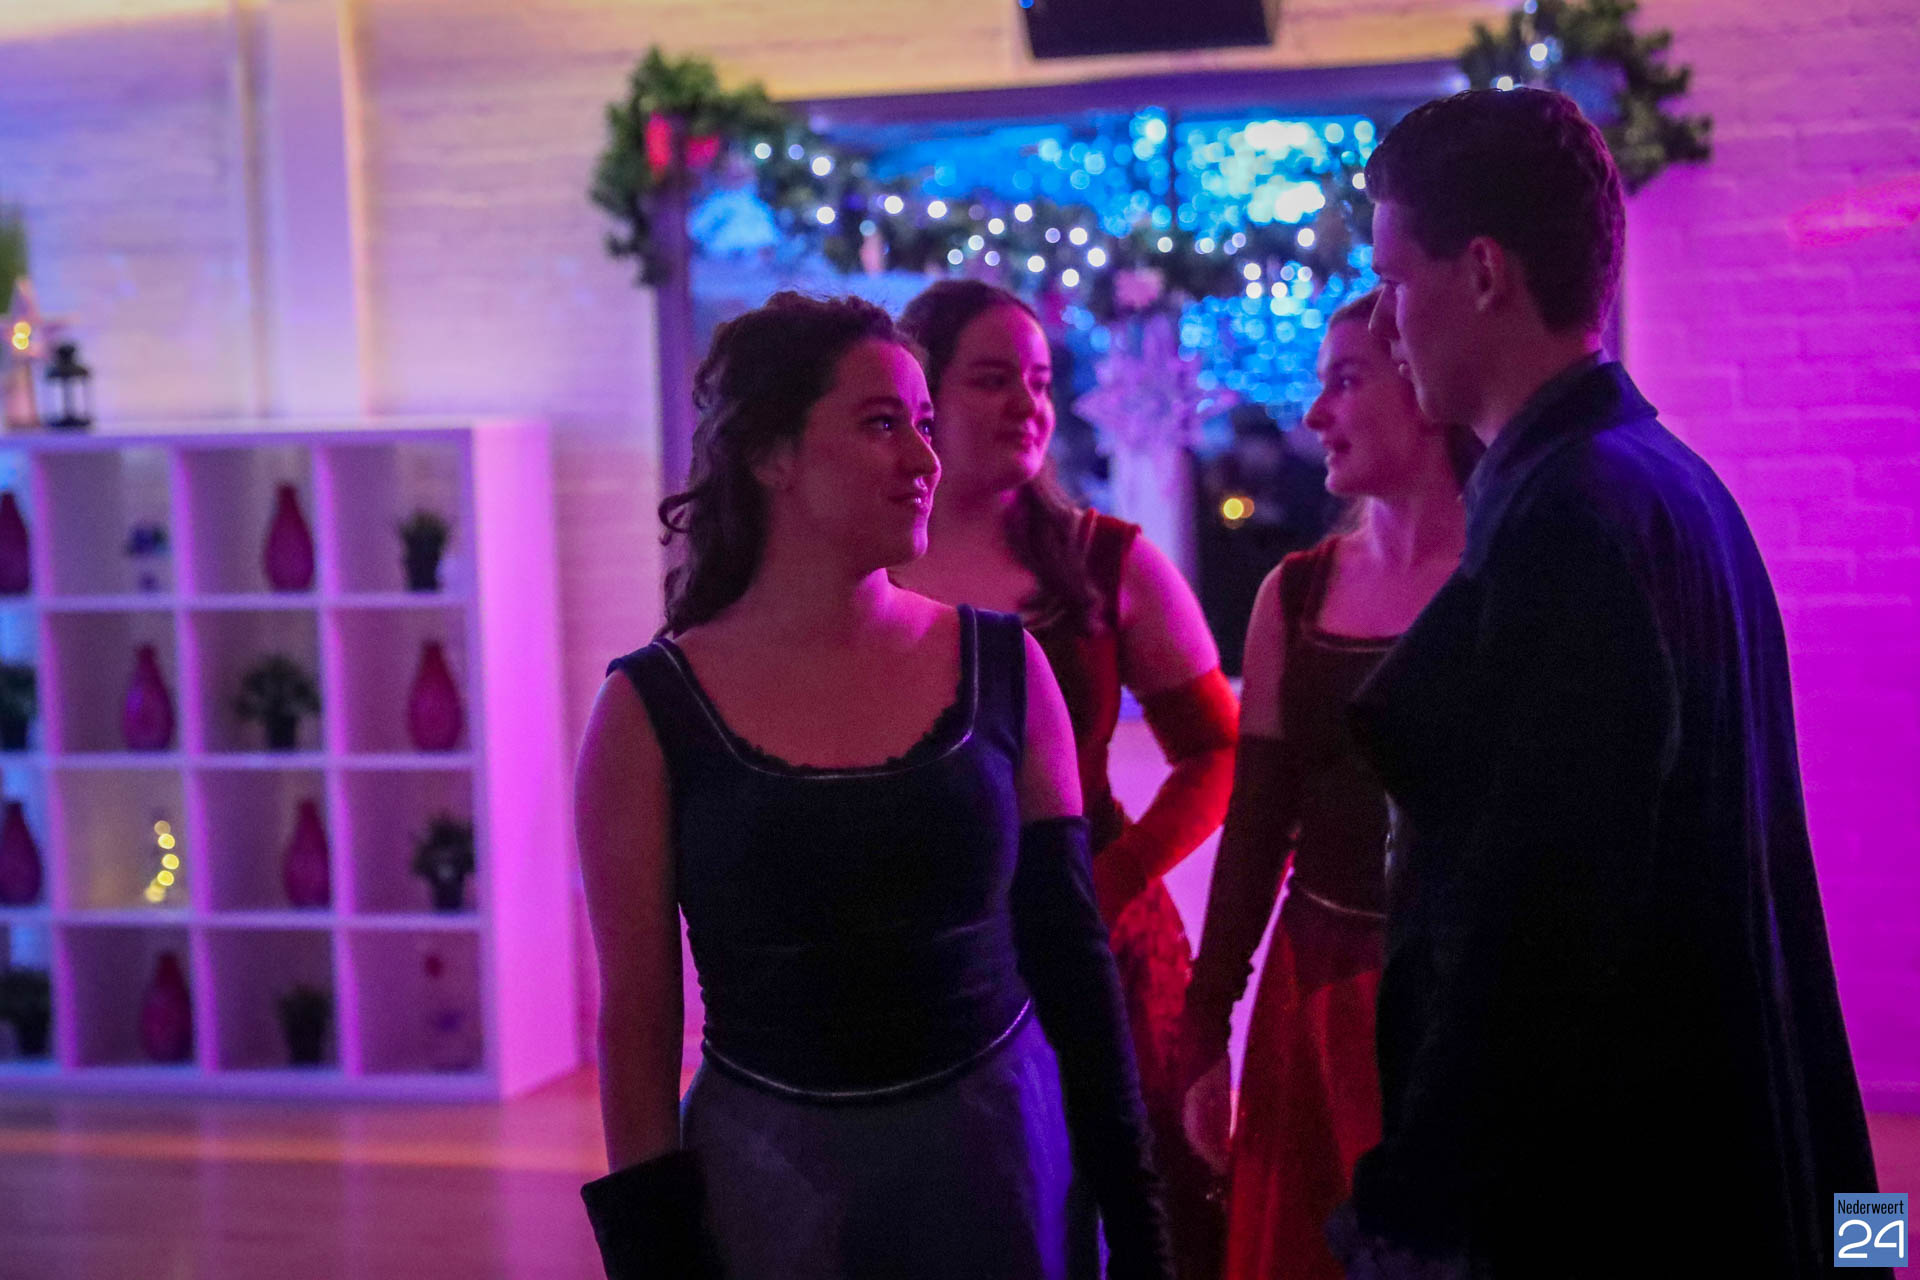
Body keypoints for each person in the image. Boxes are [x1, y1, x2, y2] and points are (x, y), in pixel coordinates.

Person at [1328, 88, 1884, 1276]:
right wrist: (1860, 1238)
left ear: (1484, 273)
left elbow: (1539, 919)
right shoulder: (1668, 477)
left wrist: (1414, 1207)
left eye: (1392, 277)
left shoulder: (1568, 518)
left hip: (1623, 1193)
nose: (1381, 317)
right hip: (1718, 1159)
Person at [572, 292, 1172, 1280]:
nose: (925, 459)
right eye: (882, 424)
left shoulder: (1005, 666)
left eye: (924, 423)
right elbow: (637, 1021)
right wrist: (656, 1260)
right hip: (770, 1180)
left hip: (1002, 1159)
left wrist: (1141, 1230)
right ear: (773, 454)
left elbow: (1072, 961)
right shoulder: (649, 710)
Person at [895, 279, 1238, 1274]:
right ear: (923, 395)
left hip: (1103, 945)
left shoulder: (1107, 559)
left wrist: (1112, 880)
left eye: (1041, 382)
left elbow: (1217, 753)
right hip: (930, 955)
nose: (1027, 404)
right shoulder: (868, 572)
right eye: (992, 379)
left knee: (1142, 1214)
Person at [1176, 286, 1477, 1280]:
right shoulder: (1296, 590)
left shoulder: (1508, 577)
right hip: (1312, 983)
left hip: (1455, 997)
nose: (1315, 415)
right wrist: (1206, 1026)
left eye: (1346, 380)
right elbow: (1258, 824)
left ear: (1424, 387)